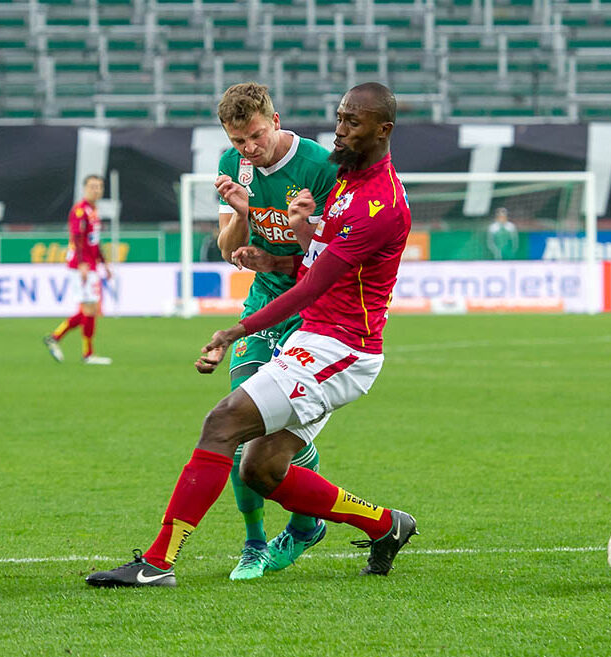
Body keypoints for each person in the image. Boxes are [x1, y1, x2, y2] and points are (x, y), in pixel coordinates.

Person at [86, 82, 417, 588]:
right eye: (340, 117)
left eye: (353, 122)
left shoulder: (378, 203)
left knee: (222, 423)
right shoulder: (349, 181)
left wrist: (233, 330)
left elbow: (312, 284)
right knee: (259, 468)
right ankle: (386, 525)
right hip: (317, 332)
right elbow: (310, 253)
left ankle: (158, 563)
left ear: (383, 130)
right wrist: (301, 228)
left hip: (341, 345)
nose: (340, 129)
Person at [212, 82, 338, 581]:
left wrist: (283, 252)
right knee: (240, 430)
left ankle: (305, 524)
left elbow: (327, 263)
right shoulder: (233, 165)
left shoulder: (320, 168)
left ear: (277, 120)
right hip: (263, 305)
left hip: (315, 315)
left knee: (276, 437)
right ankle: (254, 543)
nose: (249, 149)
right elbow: (228, 248)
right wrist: (242, 215)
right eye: (238, 140)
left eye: (256, 136)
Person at [43, 174, 113, 365]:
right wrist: (82, 263)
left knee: (89, 310)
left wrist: (104, 263)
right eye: (92, 186)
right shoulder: (80, 211)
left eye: (99, 187)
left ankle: (60, 340)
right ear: (84, 188)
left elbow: (94, 242)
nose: (96, 190)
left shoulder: (94, 211)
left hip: (91, 265)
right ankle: (85, 353)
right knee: (89, 309)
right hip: (80, 266)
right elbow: (77, 238)